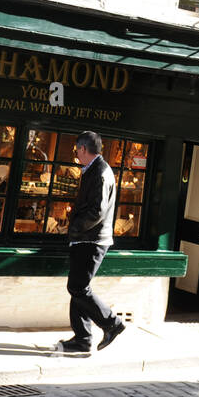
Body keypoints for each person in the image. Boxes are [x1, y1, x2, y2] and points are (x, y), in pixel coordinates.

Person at [58, 130, 125, 354]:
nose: (76, 154)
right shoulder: (94, 170)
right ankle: (82, 338)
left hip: (92, 240)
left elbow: (97, 210)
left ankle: (111, 323)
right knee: (79, 288)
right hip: (86, 239)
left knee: (77, 287)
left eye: (77, 149)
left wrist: (75, 228)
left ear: (83, 149)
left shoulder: (100, 172)